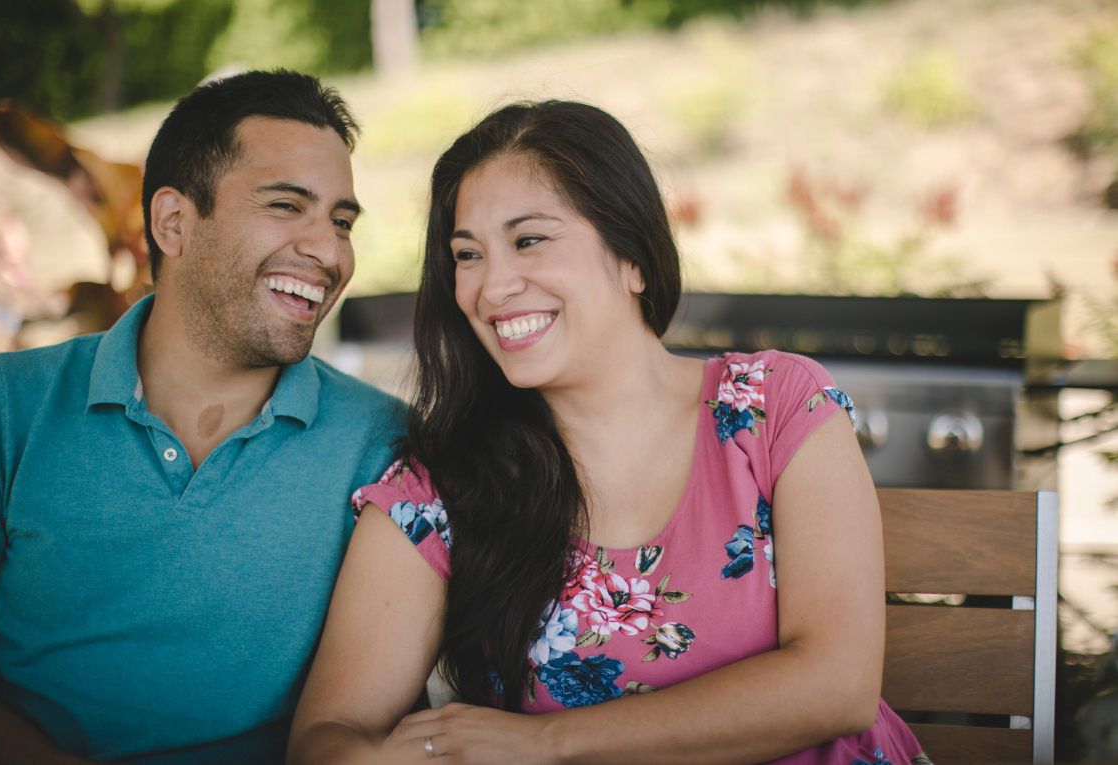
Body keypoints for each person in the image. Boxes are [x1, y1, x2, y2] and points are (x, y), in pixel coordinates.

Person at [288, 100, 932, 765]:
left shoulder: (774, 407)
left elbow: (836, 685)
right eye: (467, 254)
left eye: (529, 239)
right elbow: (328, 737)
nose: (492, 285)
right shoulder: (439, 490)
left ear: (633, 258)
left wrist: (548, 741)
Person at [0, 70, 406, 765]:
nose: (329, 252)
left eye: (340, 221)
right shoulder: (9, 405)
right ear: (173, 222)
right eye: (286, 205)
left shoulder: (385, 443)